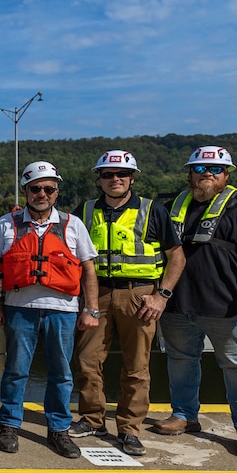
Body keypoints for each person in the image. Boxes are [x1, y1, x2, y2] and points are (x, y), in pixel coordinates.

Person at [152, 146, 237, 460]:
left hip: (228, 308)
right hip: (178, 306)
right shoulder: (170, 209)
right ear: (189, 173)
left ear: (226, 175)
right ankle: (184, 415)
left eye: (215, 169)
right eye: (199, 169)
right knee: (181, 362)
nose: (207, 174)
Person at [71, 151, 184, 456]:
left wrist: (162, 295)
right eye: (108, 174)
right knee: (86, 360)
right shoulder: (86, 210)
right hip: (97, 294)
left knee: (136, 366)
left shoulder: (153, 211)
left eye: (121, 174)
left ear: (133, 177)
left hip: (140, 296)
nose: (115, 179)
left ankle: (129, 429)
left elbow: (177, 256)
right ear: (100, 179)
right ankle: (92, 419)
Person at [0, 161, 99, 458]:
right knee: (15, 371)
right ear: (26, 190)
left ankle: (58, 430)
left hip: (62, 311)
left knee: (61, 373)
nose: (42, 194)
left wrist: (92, 310)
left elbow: (88, 270)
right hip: (19, 309)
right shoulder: (6, 224)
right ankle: (9, 425)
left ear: (56, 192)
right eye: (35, 188)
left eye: (48, 189)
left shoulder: (72, 225)